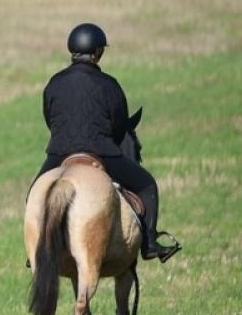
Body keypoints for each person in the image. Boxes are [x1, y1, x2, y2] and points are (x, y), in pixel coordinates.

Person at [36, 22, 179, 262]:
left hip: (59, 153)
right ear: (98, 52)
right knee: (147, 185)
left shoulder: (54, 83)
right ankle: (150, 243)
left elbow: (49, 118)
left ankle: (38, 248)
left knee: (34, 194)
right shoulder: (109, 84)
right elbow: (120, 125)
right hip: (102, 152)